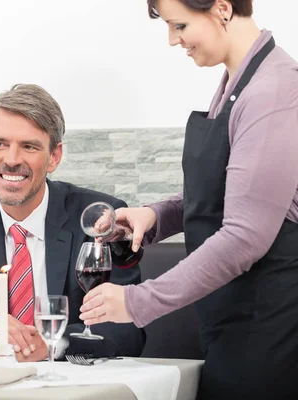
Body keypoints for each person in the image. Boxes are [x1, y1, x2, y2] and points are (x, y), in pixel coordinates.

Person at [79, 1, 298, 398]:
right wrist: (155, 216)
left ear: (222, 9)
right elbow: (228, 190)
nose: (171, 39)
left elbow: (244, 237)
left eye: (179, 24)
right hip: (234, 321)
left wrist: (137, 302)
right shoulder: (240, 81)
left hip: (270, 327)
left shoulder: (274, 90)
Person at [0, 84, 145, 363]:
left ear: (54, 157)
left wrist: (47, 345)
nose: (11, 160)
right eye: (0, 144)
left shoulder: (99, 218)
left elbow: (128, 329)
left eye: (29, 146)